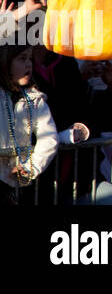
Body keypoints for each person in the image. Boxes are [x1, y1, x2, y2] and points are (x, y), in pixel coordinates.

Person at [0, 43, 59, 200]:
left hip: (20, 184)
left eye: (30, 59)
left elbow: (49, 138)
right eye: (22, 59)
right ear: (5, 61)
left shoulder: (35, 99)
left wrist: (29, 168)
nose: (28, 64)